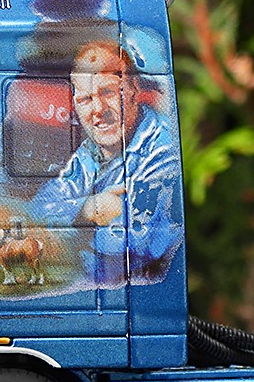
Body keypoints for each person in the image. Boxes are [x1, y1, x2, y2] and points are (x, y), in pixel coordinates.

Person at [33, 40, 182, 285]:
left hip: (140, 297)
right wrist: (88, 209)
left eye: (108, 92)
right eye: (85, 99)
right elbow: (38, 210)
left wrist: (67, 229)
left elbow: (134, 242)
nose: (98, 109)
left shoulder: (162, 150)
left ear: (134, 89)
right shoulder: (91, 152)